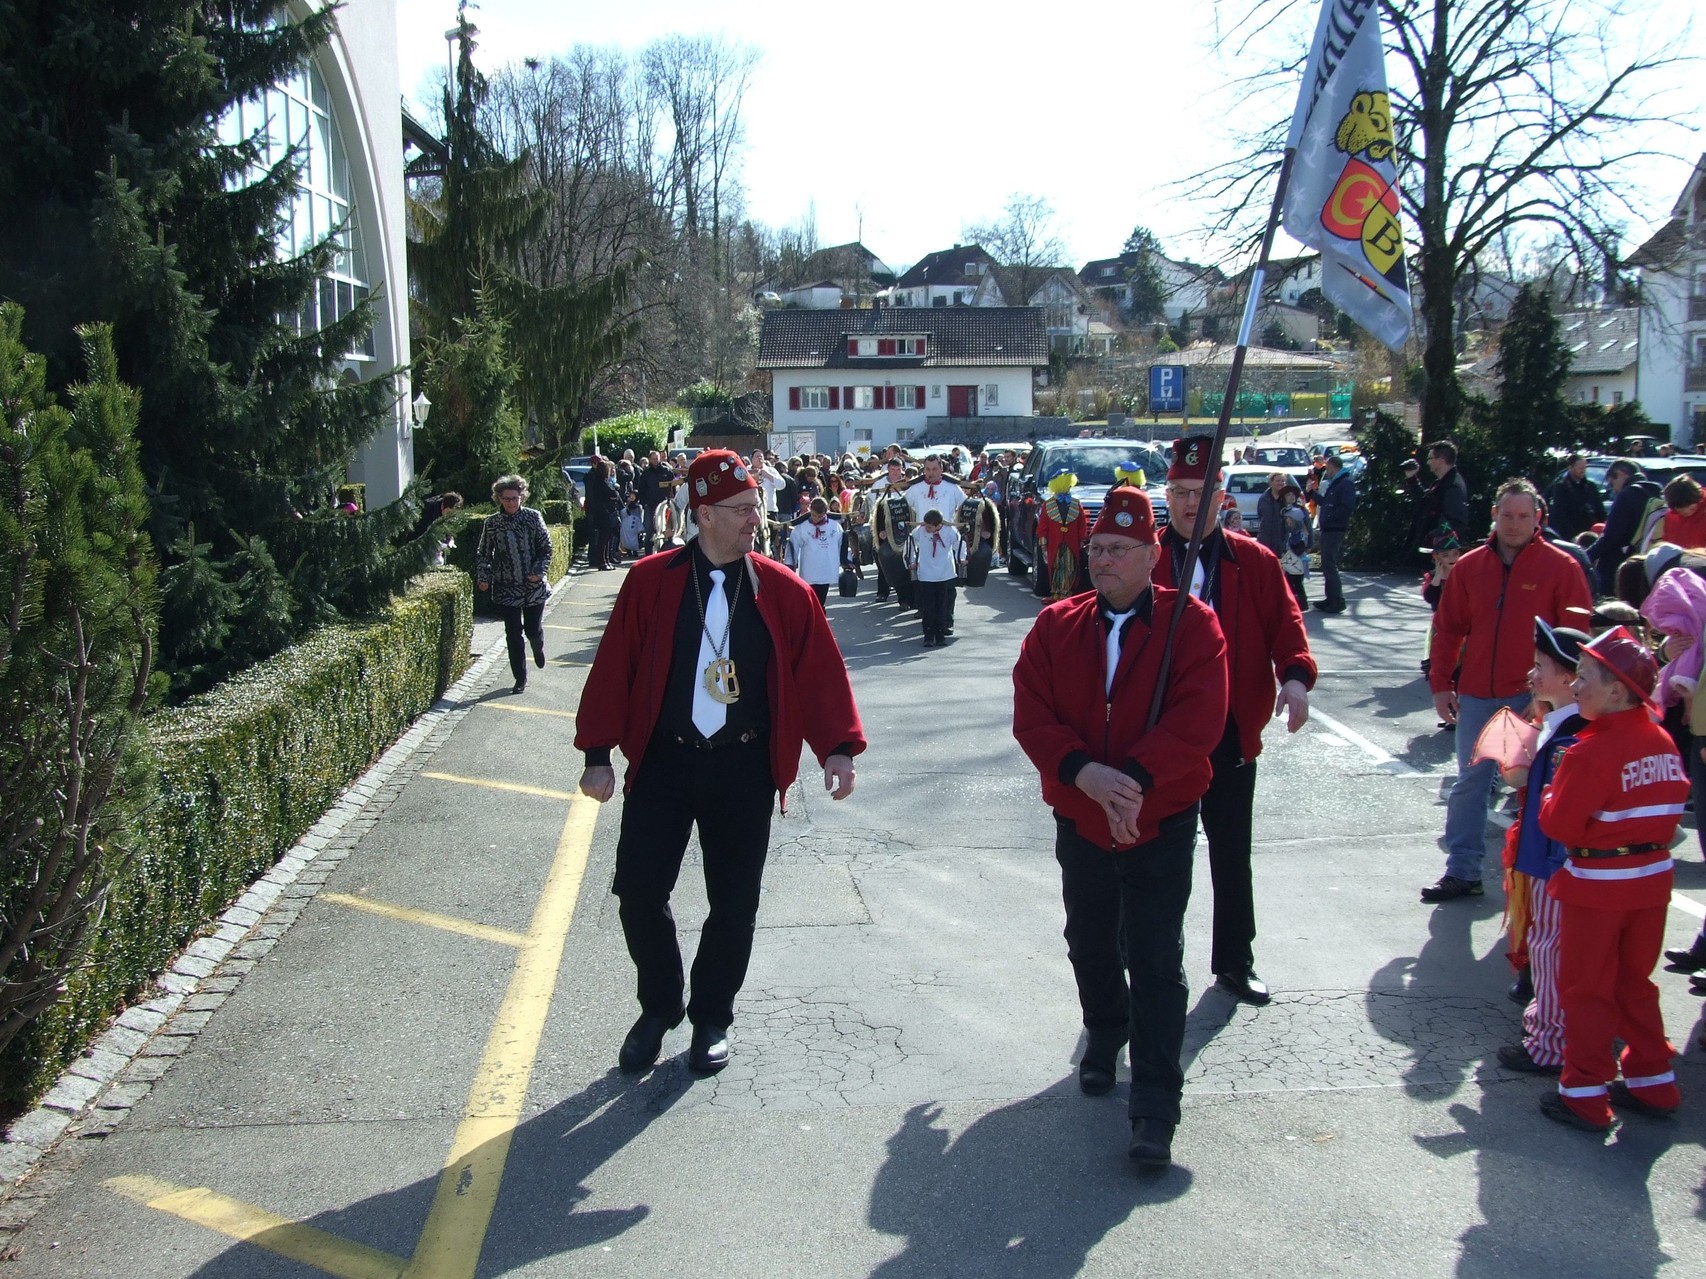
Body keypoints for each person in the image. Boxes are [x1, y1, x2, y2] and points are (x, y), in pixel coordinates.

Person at [575, 450, 865, 1076]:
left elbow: (818, 673)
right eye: (741, 510)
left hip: (743, 767)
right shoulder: (649, 582)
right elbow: (616, 666)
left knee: (733, 903)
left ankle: (712, 1017)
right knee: (638, 893)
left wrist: (838, 747)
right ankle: (659, 1007)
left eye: (756, 506)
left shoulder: (783, 590)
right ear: (703, 514)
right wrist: (598, 754)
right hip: (665, 762)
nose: (756, 518)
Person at [1013, 485, 1228, 1168]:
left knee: (1157, 956)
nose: (1102, 559)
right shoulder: (1056, 625)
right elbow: (1032, 712)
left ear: (1153, 555)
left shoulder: (1192, 625)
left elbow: (1199, 718)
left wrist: (1133, 780)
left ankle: (1155, 1104)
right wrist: (1086, 775)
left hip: (1159, 818)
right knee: (1089, 939)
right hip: (1082, 814)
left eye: (1119, 549)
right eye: (1097, 548)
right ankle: (1105, 1030)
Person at [1150, 437, 1315, 1005]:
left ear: (1221, 497)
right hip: (1161, 735)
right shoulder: (1145, 557)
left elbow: (1287, 627)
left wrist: (1295, 677)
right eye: (1179, 492)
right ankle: (1152, 958)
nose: (1189, 503)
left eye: (1201, 492)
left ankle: (1235, 961)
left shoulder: (1255, 561)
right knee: (1159, 856)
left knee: (1230, 852)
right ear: (1166, 496)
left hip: (1230, 732)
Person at [1535, 627, 1688, 1131]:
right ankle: (1654, 1083)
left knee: (1587, 990)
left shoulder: (1589, 750)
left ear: (1617, 691)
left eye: (1584, 678)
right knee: (1634, 985)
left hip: (1598, 885)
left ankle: (1584, 1094)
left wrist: (1549, 793)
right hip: (1651, 882)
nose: (1575, 686)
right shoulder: (1661, 740)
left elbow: (1559, 825)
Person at [1424, 479, 1595, 901]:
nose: (1514, 524)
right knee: (1470, 783)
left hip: (1538, 698)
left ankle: (1540, 876)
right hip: (1478, 694)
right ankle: (1463, 871)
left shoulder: (1561, 567)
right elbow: (1448, 628)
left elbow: (1578, 638)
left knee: (1538, 787)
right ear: (1494, 516)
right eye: (1507, 515)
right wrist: (1441, 684)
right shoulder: (1470, 567)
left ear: (1538, 519)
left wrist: (1561, 696)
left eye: (1523, 516)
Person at [1494, 621, 1589, 1077]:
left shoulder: (1567, 733)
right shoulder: (1558, 723)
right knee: (1569, 950)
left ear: (1570, 677)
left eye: (1540, 667)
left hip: (1556, 863)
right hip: (1562, 862)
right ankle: (1586, 1032)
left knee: (1550, 948)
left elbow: (1539, 794)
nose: (1531, 674)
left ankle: (1549, 1043)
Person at [475, 475, 552, 695]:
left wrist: (538, 572)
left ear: (522, 497)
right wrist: (483, 577)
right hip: (506, 586)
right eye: (506, 499)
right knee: (513, 634)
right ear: (499, 499)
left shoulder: (532, 517)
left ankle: (537, 645)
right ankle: (520, 677)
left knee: (532, 629)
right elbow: (484, 553)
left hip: (532, 586)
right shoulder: (492, 523)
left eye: (514, 498)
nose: (510, 502)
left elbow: (546, 548)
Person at [1589, 459, 1662, 594]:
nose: (1613, 489)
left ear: (1621, 474)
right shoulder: (1655, 492)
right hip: (1649, 560)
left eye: (1612, 483)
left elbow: (1611, 536)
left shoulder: (1627, 495)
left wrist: (1587, 556)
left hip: (1621, 564)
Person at [905, 509, 964, 648]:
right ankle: (928, 636)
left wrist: (961, 558)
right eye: (925, 525)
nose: (926, 528)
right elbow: (910, 544)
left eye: (929, 526)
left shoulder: (950, 531)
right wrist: (911, 561)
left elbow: (960, 545)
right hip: (926, 575)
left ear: (938, 525)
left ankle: (940, 635)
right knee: (928, 607)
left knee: (942, 606)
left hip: (945, 574)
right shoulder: (919, 531)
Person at [1314, 454, 1357, 613]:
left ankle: (1337, 600)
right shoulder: (1337, 483)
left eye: (1327, 468)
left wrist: (1329, 518)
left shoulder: (1345, 483)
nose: (1327, 472)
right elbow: (1327, 503)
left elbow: (1347, 506)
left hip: (1335, 529)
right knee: (1326, 564)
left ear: (1332, 466)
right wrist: (1313, 494)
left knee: (1329, 564)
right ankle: (1330, 598)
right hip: (1328, 528)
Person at [788, 496, 847, 605]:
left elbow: (841, 545)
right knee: (810, 602)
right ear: (810, 510)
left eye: (820, 516)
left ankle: (820, 614)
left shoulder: (834, 526)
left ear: (825, 513)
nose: (816, 518)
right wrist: (790, 565)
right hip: (809, 571)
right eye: (814, 515)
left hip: (826, 569)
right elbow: (792, 545)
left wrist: (846, 561)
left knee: (820, 602)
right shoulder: (802, 527)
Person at [1420, 441, 1471, 542]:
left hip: (1444, 548)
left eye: (1430, 458)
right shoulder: (1442, 483)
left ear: (1441, 460)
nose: (1427, 462)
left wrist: (1433, 535)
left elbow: (1457, 522)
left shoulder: (1453, 486)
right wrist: (1412, 479)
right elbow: (1425, 504)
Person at [1547, 454, 1605, 541]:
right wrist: (1571, 536)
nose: (1583, 471)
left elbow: (1600, 509)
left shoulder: (1590, 486)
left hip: (1592, 533)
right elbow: (1560, 514)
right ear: (1571, 467)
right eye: (1580, 468)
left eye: (1585, 468)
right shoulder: (1561, 487)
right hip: (1572, 535)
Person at [585, 456, 621, 570]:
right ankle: (602, 562)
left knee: (606, 539)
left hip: (605, 513)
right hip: (604, 515)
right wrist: (613, 495)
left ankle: (606, 560)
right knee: (603, 540)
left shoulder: (603, 482)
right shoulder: (600, 482)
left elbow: (615, 496)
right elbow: (613, 494)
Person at [636, 452, 675, 554]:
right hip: (650, 506)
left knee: (664, 530)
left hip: (663, 506)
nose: (655, 460)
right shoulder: (646, 473)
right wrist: (644, 503)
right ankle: (648, 554)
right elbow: (641, 489)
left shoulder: (666, 471)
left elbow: (673, 486)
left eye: (657, 458)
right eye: (653, 459)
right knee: (649, 531)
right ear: (650, 459)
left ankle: (663, 552)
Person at [1660, 475, 1706, 550]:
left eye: (1690, 506)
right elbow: (1667, 544)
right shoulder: (1671, 517)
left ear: (1698, 498)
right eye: (1680, 508)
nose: (1686, 511)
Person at [1255, 472, 1289, 559]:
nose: (1280, 483)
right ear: (1271, 482)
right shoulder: (1264, 498)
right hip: (1266, 539)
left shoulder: (1288, 498)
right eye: (1278, 480)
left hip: (1283, 539)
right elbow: (1260, 516)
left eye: (1283, 481)